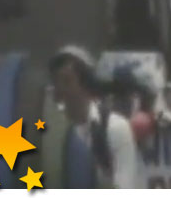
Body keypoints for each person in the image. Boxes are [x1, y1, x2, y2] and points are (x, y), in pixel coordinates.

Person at [48, 45, 137, 189]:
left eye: (67, 81)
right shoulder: (51, 132)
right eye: (56, 82)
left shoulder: (114, 127)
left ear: (86, 84)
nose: (60, 89)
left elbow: (123, 186)